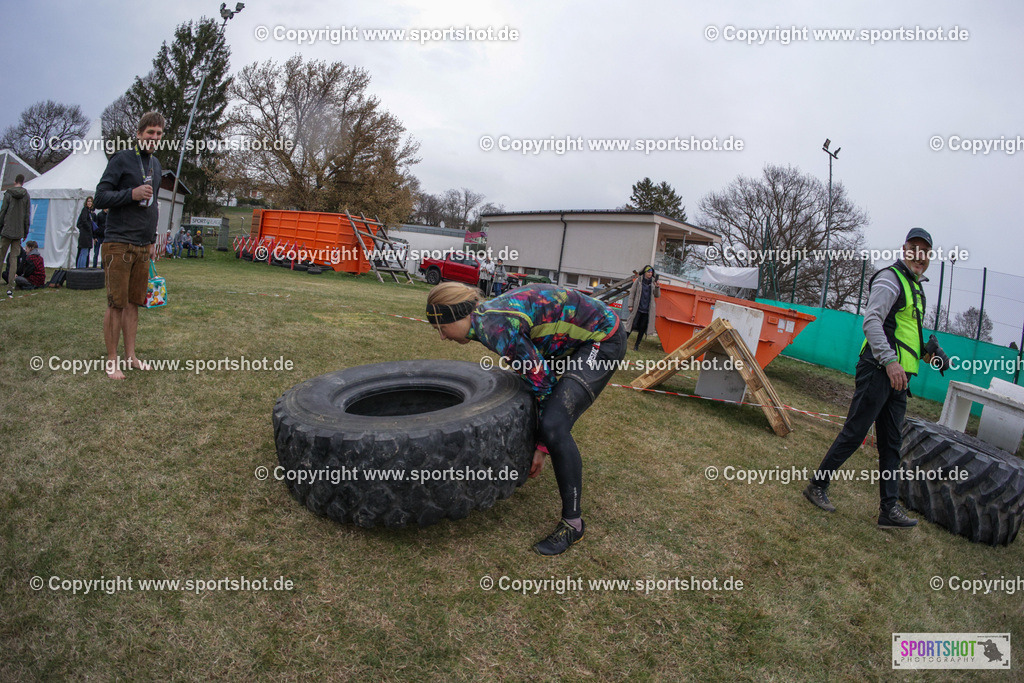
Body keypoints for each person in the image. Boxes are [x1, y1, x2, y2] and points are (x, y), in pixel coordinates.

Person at [426, 282, 627, 555]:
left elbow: (542, 380)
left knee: (554, 425)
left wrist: (542, 447)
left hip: (603, 338)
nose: (442, 337)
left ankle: (573, 524)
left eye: (441, 328)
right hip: (567, 340)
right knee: (539, 403)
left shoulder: (494, 326)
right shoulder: (485, 318)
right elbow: (532, 369)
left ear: (456, 317)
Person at [804, 228, 947, 529]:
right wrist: (890, 361)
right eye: (914, 248)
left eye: (925, 251)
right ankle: (817, 486)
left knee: (892, 444)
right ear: (905, 248)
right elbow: (872, 322)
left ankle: (888, 511)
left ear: (929, 257)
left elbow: (906, 334)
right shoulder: (890, 278)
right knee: (855, 432)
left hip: (899, 378)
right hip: (880, 368)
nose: (919, 256)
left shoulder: (916, 289)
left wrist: (930, 353)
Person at [94, 111, 165, 380]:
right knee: (116, 304)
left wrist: (151, 241)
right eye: (150, 132)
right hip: (118, 243)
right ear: (139, 134)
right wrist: (131, 194)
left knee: (134, 303)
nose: (154, 137)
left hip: (141, 245)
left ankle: (131, 356)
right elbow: (99, 196)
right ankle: (112, 360)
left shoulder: (155, 165)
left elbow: (153, 206)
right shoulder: (121, 158)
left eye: (158, 134)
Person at [1, 173, 31, 298]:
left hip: (7, 230)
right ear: (23, 182)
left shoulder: (8, 193)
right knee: (13, 260)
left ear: (15, 181)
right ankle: (10, 287)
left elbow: (3, 211)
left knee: (1, 258)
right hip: (18, 231)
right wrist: (26, 231)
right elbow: (27, 215)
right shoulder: (26, 195)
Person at [624, 265, 660, 351]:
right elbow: (632, 293)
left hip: (647, 310)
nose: (650, 274)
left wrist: (657, 287)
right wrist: (630, 305)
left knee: (642, 328)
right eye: (648, 272)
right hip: (637, 308)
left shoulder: (653, 282)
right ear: (644, 272)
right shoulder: (638, 281)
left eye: (651, 272)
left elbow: (657, 295)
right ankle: (623, 341)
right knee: (632, 325)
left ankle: (637, 345)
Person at [76, 196, 96, 269]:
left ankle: (80, 267)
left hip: (86, 234)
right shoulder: (85, 210)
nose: (89, 203)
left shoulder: (90, 212)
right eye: (88, 201)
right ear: (86, 202)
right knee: (84, 252)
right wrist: (89, 228)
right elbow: (83, 221)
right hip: (85, 235)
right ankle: (82, 268)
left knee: (83, 252)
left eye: (91, 201)